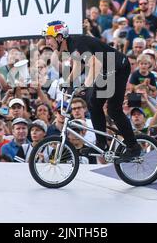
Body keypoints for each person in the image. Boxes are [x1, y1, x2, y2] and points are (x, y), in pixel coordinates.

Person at [42, 20, 141, 162]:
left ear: (59, 37)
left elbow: (95, 64)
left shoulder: (76, 45)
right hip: (108, 70)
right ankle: (101, 144)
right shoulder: (71, 45)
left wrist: (85, 85)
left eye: (48, 38)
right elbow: (78, 65)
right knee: (93, 104)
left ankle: (133, 146)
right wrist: (68, 82)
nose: (46, 42)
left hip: (119, 68)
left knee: (114, 110)